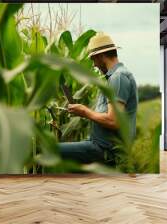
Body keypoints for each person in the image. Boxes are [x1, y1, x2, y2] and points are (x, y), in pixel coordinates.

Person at [58, 32, 138, 164]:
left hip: (105, 151)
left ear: (101, 56)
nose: (94, 65)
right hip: (98, 145)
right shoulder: (114, 78)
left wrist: (84, 112)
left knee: (50, 150)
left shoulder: (118, 78)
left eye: (93, 59)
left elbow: (113, 121)